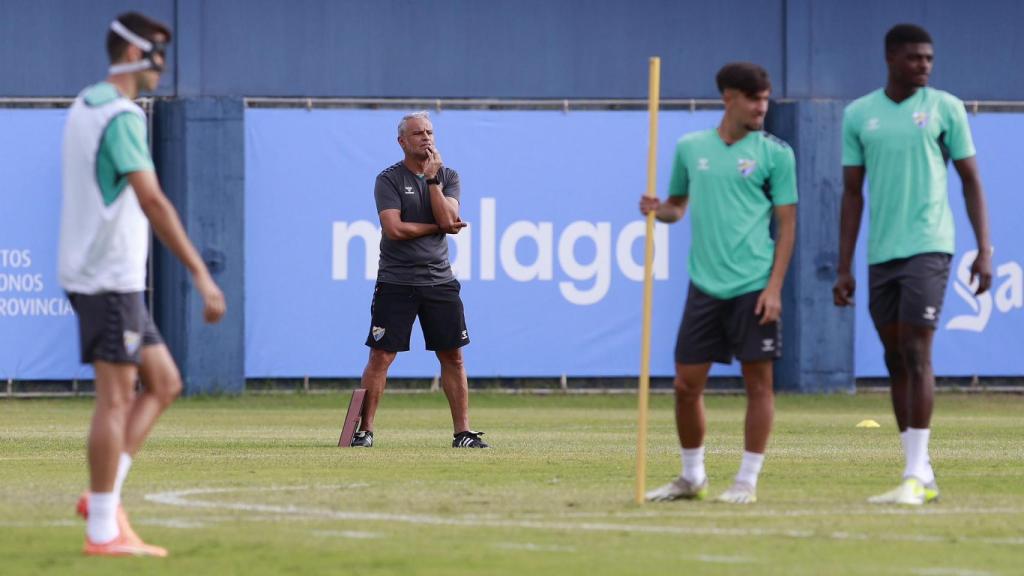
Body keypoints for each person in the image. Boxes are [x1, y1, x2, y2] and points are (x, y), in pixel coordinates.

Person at [59, 12, 226, 556]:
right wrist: (202, 275)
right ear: (133, 55)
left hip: (103, 276)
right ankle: (103, 529)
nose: (164, 65)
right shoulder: (122, 117)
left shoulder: (86, 102)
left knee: (165, 382)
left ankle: (102, 499)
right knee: (114, 400)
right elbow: (152, 199)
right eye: (157, 52)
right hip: (109, 279)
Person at [834, 24, 992, 505]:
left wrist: (985, 249)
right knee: (894, 357)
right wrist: (845, 267)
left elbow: (971, 181)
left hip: (930, 244)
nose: (924, 65)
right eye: (914, 58)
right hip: (882, 252)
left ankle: (913, 475)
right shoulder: (860, 115)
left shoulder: (946, 108)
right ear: (890, 58)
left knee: (917, 351)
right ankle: (920, 471)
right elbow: (852, 194)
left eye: (928, 58)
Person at [642, 63, 797, 505]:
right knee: (686, 385)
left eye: (766, 99)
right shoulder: (692, 148)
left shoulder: (776, 154)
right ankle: (692, 477)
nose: (761, 107)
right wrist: (657, 209)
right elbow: (677, 208)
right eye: (754, 99)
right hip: (704, 284)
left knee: (758, 385)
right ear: (729, 97)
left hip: (754, 283)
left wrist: (774, 288)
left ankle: (746, 480)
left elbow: (787, 226)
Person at [351, 111, 487, 449]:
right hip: (396, 281)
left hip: (439, 281)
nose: (425, 138)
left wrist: (431, 181)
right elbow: (394, 229)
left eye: (429, 132)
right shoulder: (389, 179)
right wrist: (438, 228)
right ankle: (364, 431)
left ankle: (462, 433)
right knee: (381, 356)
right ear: (402, 142)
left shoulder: (448, 176)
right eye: (417, 134)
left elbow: (450, 217)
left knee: (453, 356)